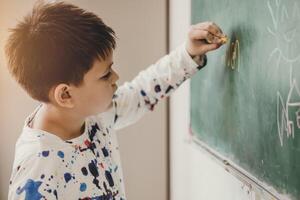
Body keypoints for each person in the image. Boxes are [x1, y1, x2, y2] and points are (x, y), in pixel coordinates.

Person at [5, 1, 226, 199]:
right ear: (66, 95)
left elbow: (142, 92)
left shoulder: (93, 114)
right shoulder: (37, 171)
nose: (116, 77)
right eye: (105, 75)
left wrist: (188, 54)